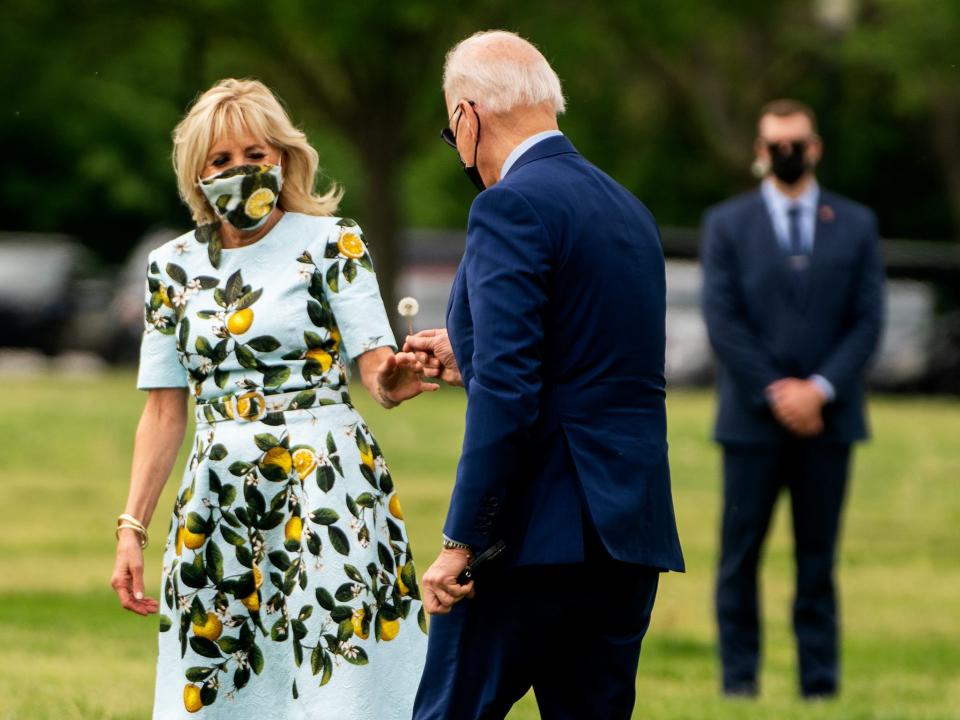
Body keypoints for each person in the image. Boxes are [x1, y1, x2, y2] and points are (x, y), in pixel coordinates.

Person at [109, 78, 433, 719]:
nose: (241, 172)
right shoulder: (168, 267)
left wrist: (393, 381)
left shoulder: (333, 243)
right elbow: (164, 409)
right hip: (217, 497)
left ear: (283, 158)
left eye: (256, 155)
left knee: (337, 676)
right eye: (221, 161)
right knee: (223, 678)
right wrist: (132, 527)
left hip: (327, 486)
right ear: (195, 173)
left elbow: (376, 368)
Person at [405, 31, 685, 720]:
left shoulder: (508, 205)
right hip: (626, 532)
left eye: (451, 130)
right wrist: (470, 353)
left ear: (467, 118)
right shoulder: (630, 210)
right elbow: (590, 360)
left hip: (534, 534)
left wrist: (461, 541)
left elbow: (509, 392)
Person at [700, 99, 885, 699]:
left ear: (815, 147)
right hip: (751, 423)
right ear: (760, 150)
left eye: (796, 143)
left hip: (829, 425)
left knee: (817, 562)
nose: (786, 154)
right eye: (774, 144)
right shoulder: (727, 224)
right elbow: (723, 320)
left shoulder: (854, 225)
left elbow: (867, 321)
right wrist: (777, 391)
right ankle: (739, 683)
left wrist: (819, 390)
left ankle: (820, 686)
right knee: (739, 559)